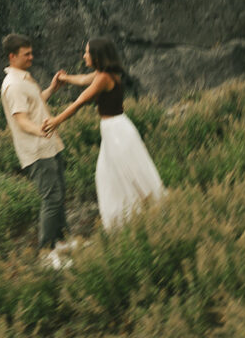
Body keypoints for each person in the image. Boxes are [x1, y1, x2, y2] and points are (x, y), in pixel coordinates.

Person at [42, 37, 165, 230]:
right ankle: (136, 217)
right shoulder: (105, 74)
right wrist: (64, 78)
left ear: (97, 56)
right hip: (116, 129)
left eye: (87, 52)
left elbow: (80, 101)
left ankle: (138, 218)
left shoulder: (103, 78)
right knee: (117, 173)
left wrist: (57, 120)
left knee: (124, 173)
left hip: (117, 132)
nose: (84, 56)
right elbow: (83, 80)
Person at [0, 33, 69, 254]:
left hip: (50, 145)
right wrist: (40, 131)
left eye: (31, 52)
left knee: (59, 195)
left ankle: (63, 242)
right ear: (12, 56)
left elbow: (35, 103)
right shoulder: (13, 85)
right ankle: (47, 252)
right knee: (52, 199)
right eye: (26, 54)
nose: (32, 57)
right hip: (37, 150)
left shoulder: (24, 78)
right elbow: (21, 120)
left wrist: (52, 88)